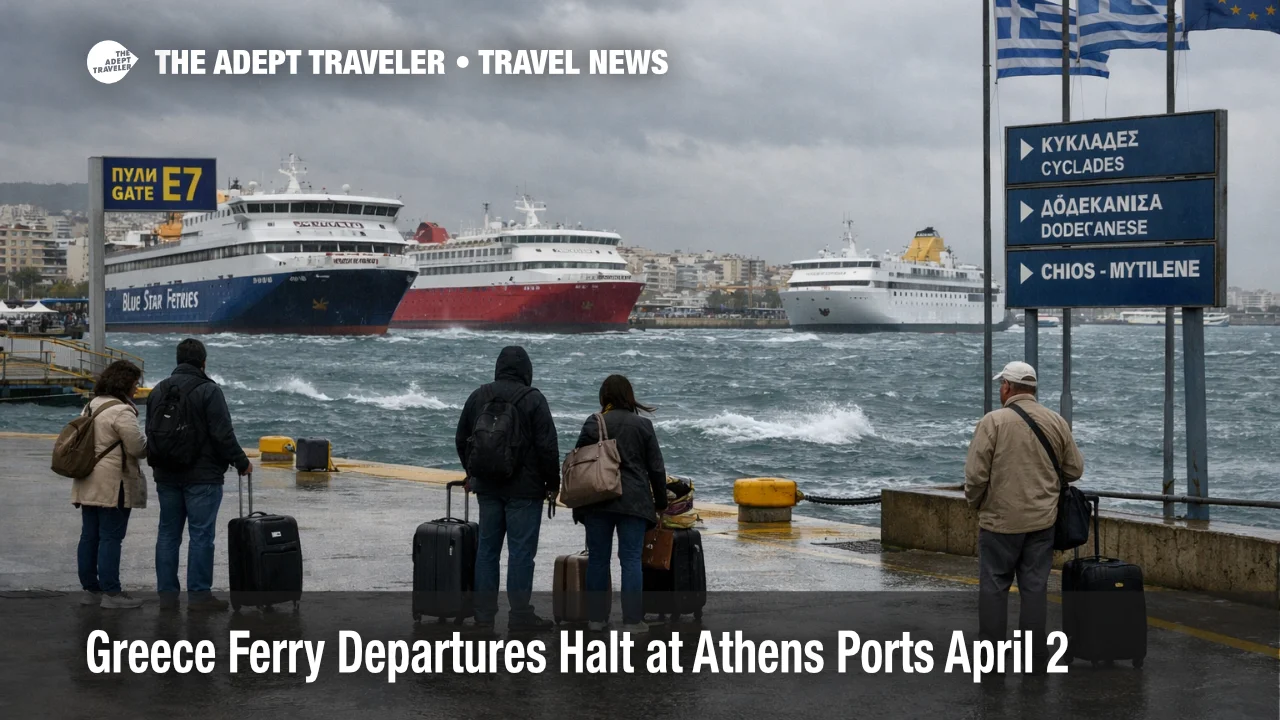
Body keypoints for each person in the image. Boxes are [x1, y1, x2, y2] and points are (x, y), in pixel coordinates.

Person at [964, 361, 1084, 655]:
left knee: (994, 588)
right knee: (1034, 590)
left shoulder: (992, 422)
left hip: (999, 524)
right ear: (1032, 389)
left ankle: (990, 658)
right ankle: (1032, 658)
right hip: (1042, 524)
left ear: (1007, 386)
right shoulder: (1056, 422)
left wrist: (976, 503)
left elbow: (976, 476)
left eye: (1001, 385)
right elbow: (1075, 470)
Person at [455, 346, 560, 630]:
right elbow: (547, 447)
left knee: (487, 551)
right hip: (525, 492)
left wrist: (472, 471)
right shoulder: (533, 399)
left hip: (488, 488)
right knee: (521, 554)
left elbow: (462, 437)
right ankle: (520, 615)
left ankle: (484, 617)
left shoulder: (479, 396)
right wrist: (553, 484)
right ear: (526, 370)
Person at [146, 338, 251, 611]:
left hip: (166, 475)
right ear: (203, 361)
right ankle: (199, 596)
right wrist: (241, 462)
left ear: (178, 360)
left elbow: (150, 432)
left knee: (168, 535)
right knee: (201, 535)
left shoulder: (158, 390)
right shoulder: (209, 390)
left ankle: (167, 595)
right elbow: (222, 434)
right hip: (202, 477)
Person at [571, 374, 668, 632]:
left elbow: (579, 464)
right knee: (631, 561)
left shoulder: (594, 423)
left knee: (598, 560)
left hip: (598, 500)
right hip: (633, 503)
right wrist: (661, 503)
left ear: (604, 397)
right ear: (629, 396)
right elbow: (656, 469)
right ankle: (633, 621)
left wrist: (578, 505)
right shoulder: (643, 425)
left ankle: (596, 618)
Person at [72, 360, 148, 609]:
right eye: (135, 383)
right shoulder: (122, 411)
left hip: (87, 480)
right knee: (111, 538)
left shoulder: (91, 405)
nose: (137, 388)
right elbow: (137, 448)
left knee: (89, 536)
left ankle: (90, 590)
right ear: (125, 383)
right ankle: (112, 594)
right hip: (113, 484)